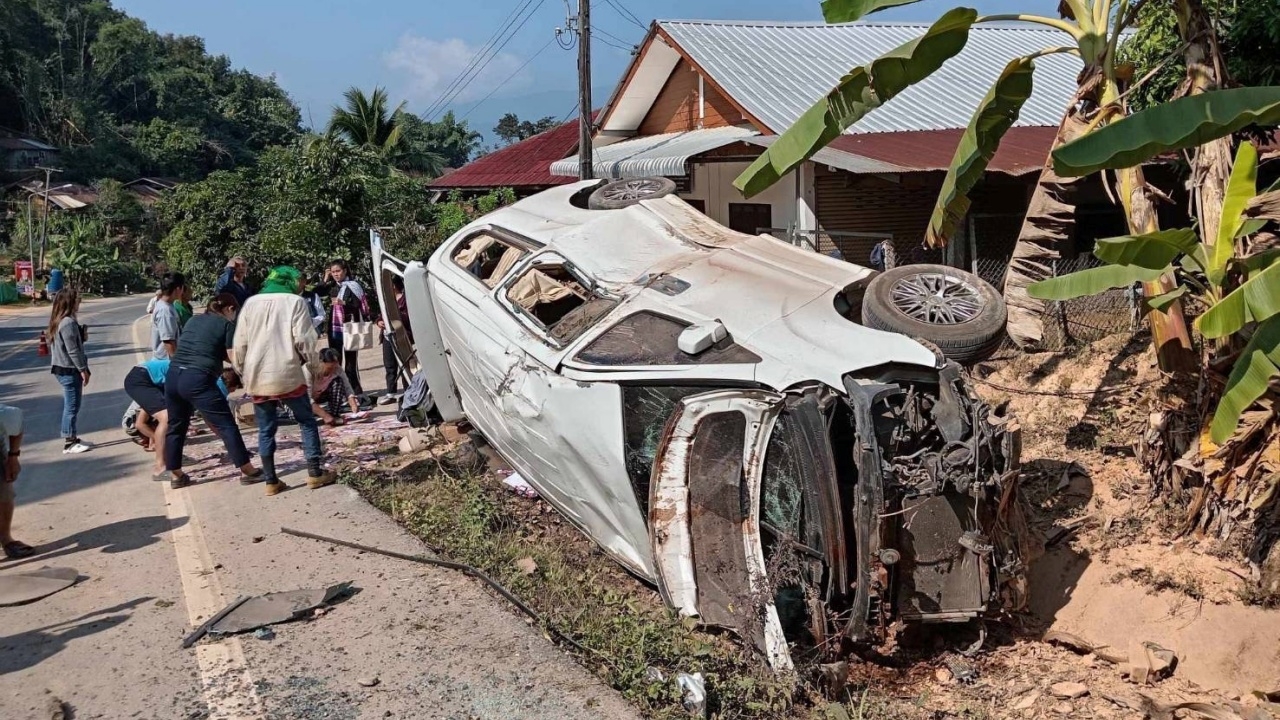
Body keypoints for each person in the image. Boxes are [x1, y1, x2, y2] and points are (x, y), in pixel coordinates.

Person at [233, 266, 334, 495]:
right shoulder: (294, 302)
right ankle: (315, 473)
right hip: (287, 373)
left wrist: (242, 372)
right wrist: (315, 367)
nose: (302, 286)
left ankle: (271, 481)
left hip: (259, 376)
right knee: (306, 422)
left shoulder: (251, 303)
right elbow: (305, 340)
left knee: (266, 429)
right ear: (290, 280)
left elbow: (240, 343)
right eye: (300, 281)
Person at [163, 293, 261, 489]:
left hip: (173, 376)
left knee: (176, 426)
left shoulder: (193, 319)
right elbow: (234, 358)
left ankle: (176, 475)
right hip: (198, 379)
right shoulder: (226, 325)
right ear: (230, 309)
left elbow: (203, 347)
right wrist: (250, 377)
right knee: (226, 425)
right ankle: (247, 470)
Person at [125, 357, 239, 476]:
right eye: (232, 390)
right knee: (167, 417)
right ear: (231, 385)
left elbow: (140, 423)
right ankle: (160, 467)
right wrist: (230, 441)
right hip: (142, 379)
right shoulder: (216, 384)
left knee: (169, 416)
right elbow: (212, 418)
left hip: (140, 377)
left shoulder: (200, 374)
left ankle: (163, 451)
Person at [315, 259, 368, 396]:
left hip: (352, 325)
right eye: (333, 272)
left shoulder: (353, 286)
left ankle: (355, 392)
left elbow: (358, 305)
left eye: (338, 271)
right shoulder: (333, 286)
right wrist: (325, 278)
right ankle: (337, 393)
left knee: (351, 363)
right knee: (334, 360)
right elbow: (317, 291)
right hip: (335, 327)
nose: (336, 274)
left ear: (344, 271)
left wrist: (343, 302)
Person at [49, 288, 92, 455]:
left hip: (63, 368)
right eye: (77, 300)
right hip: (68, 369)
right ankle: (69, 442)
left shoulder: (61, 320)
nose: (79, 303)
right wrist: (83, 369)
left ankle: (72, 437)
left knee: (72, 405)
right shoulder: (67, 323)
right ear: (70, 302)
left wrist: (82, 336)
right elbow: (73, 350)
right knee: (72, 406)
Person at [1, 403, 33, 559]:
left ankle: (6, 539)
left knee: (4, 495)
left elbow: (17, 427)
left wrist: (13, 457)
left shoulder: (4, 415)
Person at [378, 276, 414, 405]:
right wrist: (380, 322)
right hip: (387, 335)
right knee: (389, 364)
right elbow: (379, 315)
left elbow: (408, 317)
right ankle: (391, 392)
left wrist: (395, 317)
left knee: (404, 364)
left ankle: (407, 390)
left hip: (401, 335)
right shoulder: (386, 300)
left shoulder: (405, 300)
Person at [311, 348, 360, 424]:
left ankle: (334, 414)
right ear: (321, 362)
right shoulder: (309, 371)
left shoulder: (337, 368)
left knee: (338, 382)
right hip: (305, 400)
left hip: (321, 395)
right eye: (330, 368)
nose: (333, 370)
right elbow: (306, 399)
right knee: (304, 418)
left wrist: (353, 403)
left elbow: (347, 386)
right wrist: (325, 416)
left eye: (335, 367)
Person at [151, 272, 185, 360]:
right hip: (166, 361)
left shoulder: (168, 306)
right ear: (178, 289)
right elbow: (168, 341)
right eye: (183, 288)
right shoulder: (165, 311)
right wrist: (177, 364)